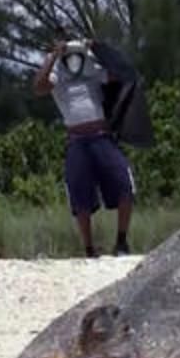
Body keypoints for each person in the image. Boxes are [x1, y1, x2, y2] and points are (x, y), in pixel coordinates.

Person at [33, 38, 135, 258]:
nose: (73, 61)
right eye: (68, 56)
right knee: (80, 196)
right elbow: (39, 87)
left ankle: (121, 242)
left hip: (102, 138)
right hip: (77, 142)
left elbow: (123, 72)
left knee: (124, 185)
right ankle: (89, 248)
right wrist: (52, 56)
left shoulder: (94, 72)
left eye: (76, 55)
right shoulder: (57, 77)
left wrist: (98, 48)